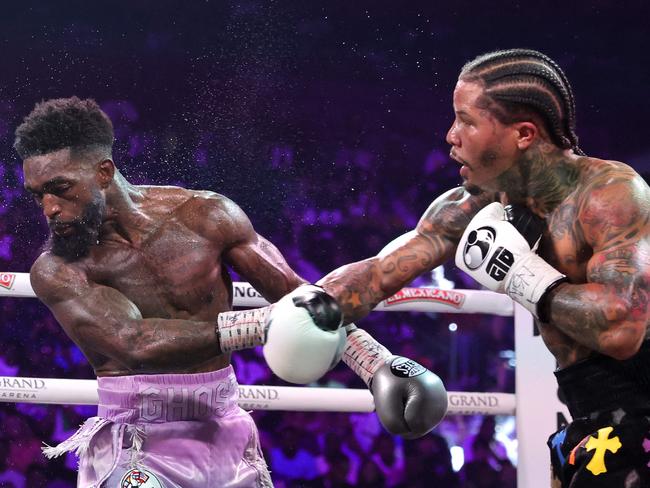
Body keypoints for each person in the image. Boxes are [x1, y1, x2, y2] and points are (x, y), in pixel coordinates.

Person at [15, 97, 446, 487]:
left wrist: (377, 365)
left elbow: (302, 297)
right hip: (135, 440)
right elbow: (134, 341)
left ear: (103, 172)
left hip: (224, 427)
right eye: (39, 195)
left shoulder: (207, 215)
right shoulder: (56, 269)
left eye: (61, 188)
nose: (50, 208)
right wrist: (264, 324)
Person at [296, 49, 649, 487]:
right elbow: (377, 274)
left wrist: (522, 274)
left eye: (466, 120)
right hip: (588, 420)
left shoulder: (610, 195)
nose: (450, 135)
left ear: (523, 134)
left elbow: (623, 329)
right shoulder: (476, 203)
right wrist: (298, 312)